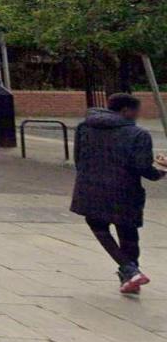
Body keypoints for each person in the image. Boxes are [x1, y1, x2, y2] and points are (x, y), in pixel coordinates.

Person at [71, 93, 167, 294]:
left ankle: (130, 274)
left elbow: (78, 158)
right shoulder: (139, 134)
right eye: (136, 111)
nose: (138, 115)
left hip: (90, 188)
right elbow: (142, 167)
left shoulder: (84, 127)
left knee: (99, 227)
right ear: (125, 111)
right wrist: (160, 173)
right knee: (128, 233)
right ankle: (131, 272)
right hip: (125, 190)